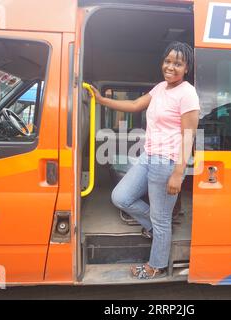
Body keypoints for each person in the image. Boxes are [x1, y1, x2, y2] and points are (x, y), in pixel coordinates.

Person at [89, 41, 200, 280]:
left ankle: (155, 265)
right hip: (148, 156)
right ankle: (154, 229)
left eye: (178, 63)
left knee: (162, 219)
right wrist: (102, 100)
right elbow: (135, 104)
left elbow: (189, 135)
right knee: (121, 197)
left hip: (167, 162)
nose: (171, 67)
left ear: (186, 68)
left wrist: (178, 174)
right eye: (168, 61)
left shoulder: (187, 93)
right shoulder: (161, 88)